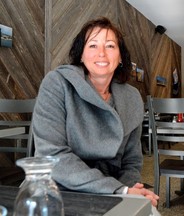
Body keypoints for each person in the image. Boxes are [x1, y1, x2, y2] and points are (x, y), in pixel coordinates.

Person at [32, 17, 159, 208]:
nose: (101, 53)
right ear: (81, 55)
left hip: (113, 189)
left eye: (110, 46)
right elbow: (52, 156)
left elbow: (132, 161)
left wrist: (129, 192)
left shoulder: (132, 98)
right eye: (92, 45)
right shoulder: (57, 84)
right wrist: (119, 190)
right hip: (59, 189)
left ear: (121, 57)